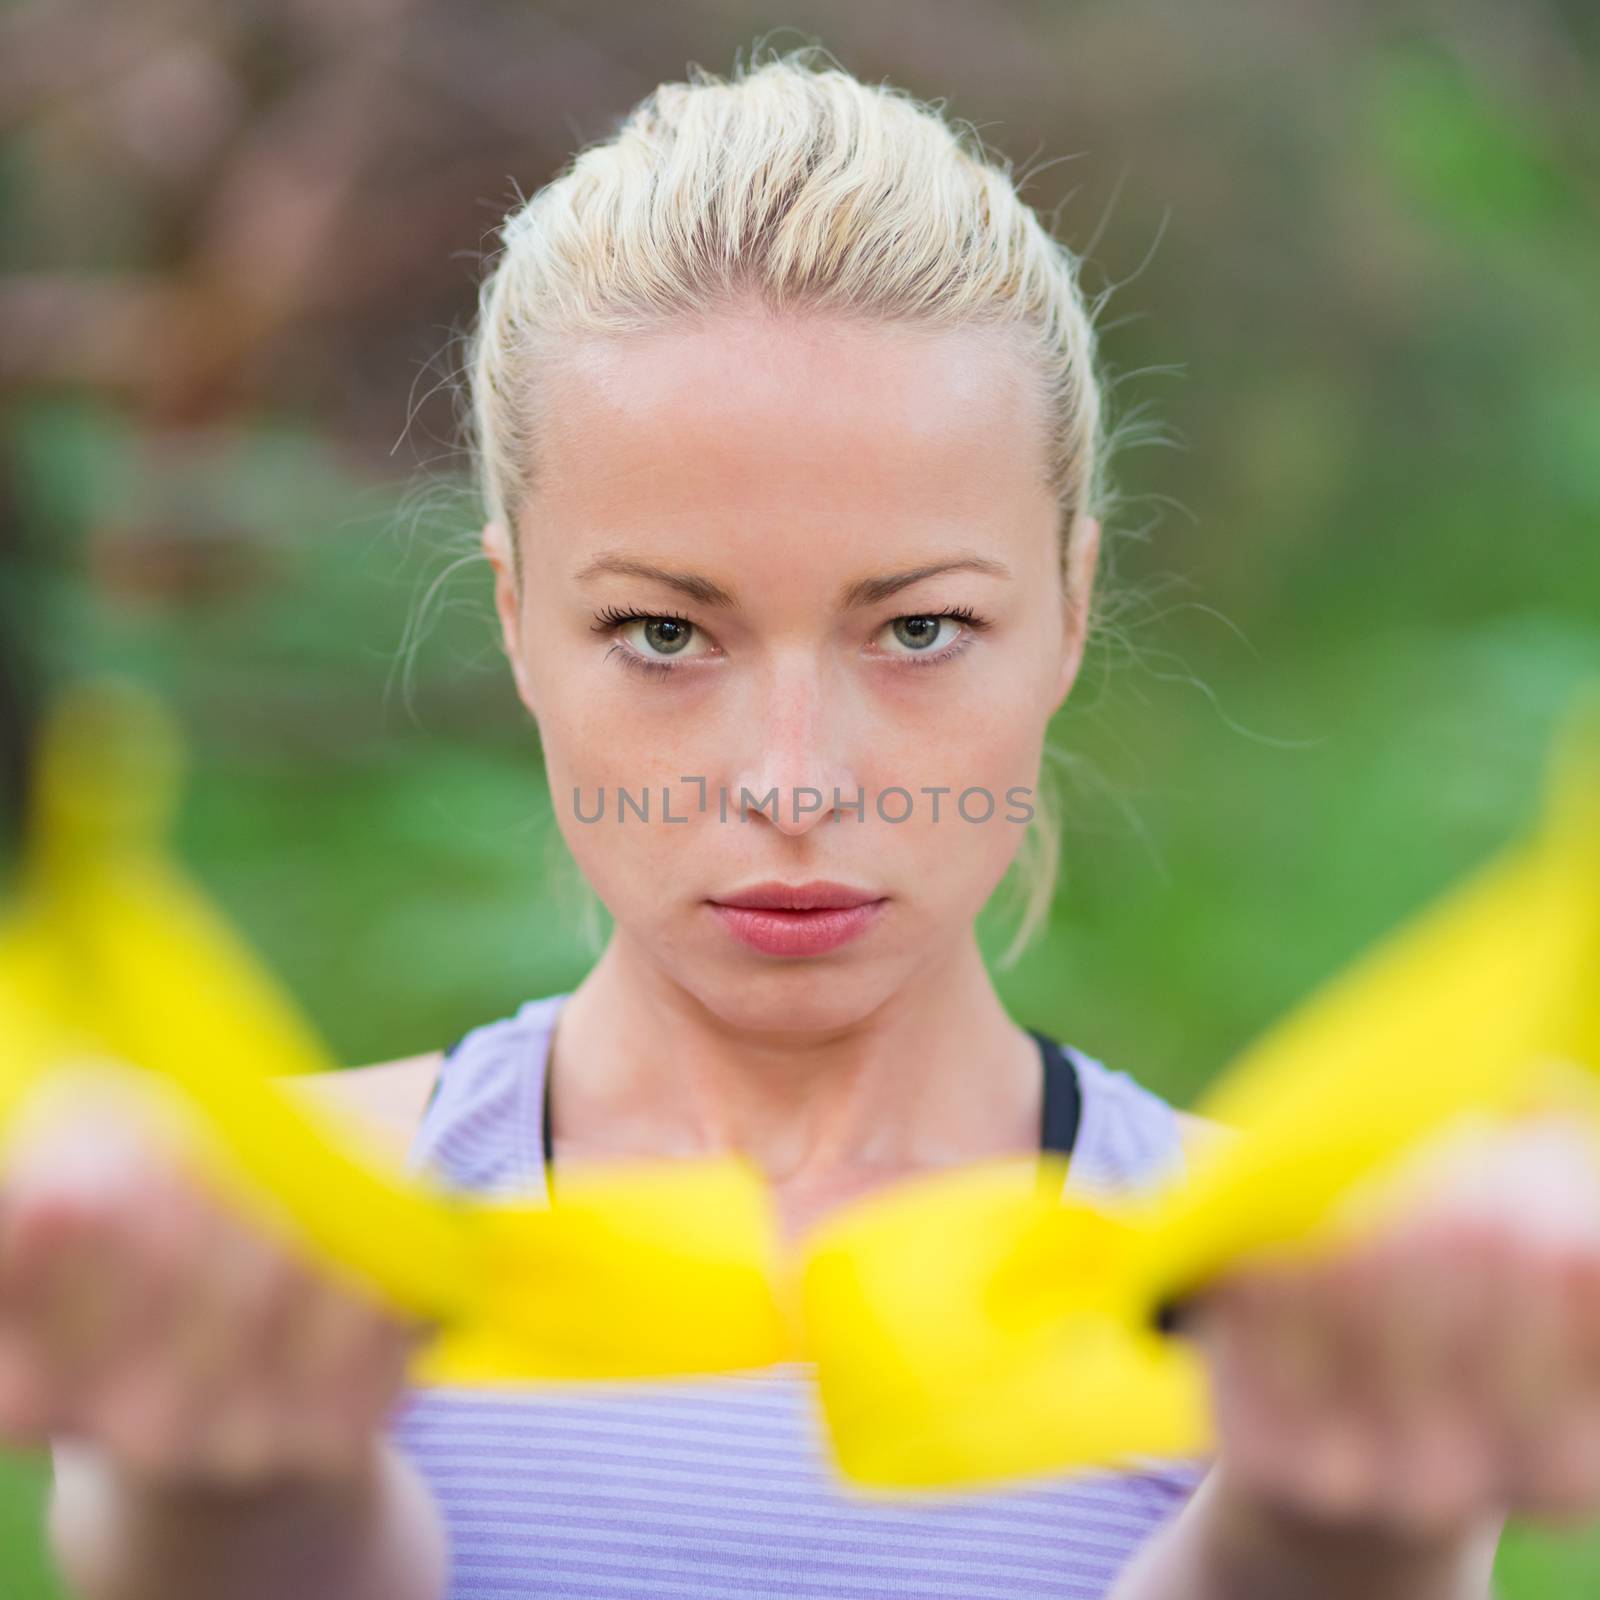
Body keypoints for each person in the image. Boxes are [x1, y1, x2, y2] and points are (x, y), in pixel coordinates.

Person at [12, 43, 1600, 1600]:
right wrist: (237, 1471)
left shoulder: (1306, 1298)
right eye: (662, 632)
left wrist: (1336, 1524)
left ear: (1068, 608)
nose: (792, 780)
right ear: (514, 619)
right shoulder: (244, 1234)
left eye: (916, 630)